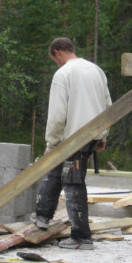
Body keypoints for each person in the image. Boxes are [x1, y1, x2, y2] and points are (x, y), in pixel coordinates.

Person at [31, 37, 112, 250]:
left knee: (73, 183)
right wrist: (103, 136)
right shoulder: (96, 70)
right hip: (92, 134)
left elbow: (57, 115)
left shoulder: (64, 74)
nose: (56, 63)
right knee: (57, 170)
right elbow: (108, 105)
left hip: (75, 137)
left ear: (57, 52)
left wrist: (51, 145)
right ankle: (42, 216)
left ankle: (81, 237)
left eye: (55, 59)